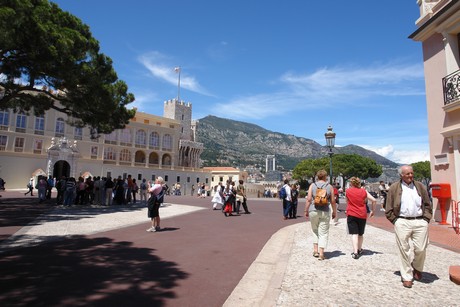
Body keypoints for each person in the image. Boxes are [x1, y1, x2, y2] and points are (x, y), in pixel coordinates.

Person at [385, 165, 432, 288]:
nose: (410, 176)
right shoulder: (394, 188)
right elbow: (388, 206)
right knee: (404, 250)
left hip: (420, 221)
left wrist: (426, 219)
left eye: (411, 173)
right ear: (401, 175)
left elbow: (427, 203)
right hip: (402, 221)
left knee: (421, 248)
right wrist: (395, 221)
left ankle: (417, 266)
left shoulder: (420, 186)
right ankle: (407, 276)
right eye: (407, 174)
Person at [304, 169, 337, 261]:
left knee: (315, 230)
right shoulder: (329, 187)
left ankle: (315, 251)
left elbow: (309, 199)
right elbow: (333, 201)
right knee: (323, 232)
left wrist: (305, 210)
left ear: (317, 176)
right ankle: (321, 253)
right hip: (325, 211)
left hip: (313, 210)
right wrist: (334, 212)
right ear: (325, 176)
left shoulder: (312, 185)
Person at [345, 177, 377, 259]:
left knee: (354, 233)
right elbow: (374, 200)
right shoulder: (364, 191)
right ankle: (359, 249)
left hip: (351, 213)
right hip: (362, 214)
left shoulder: (348, 191)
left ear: (351, 183)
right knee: (360, 233)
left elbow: (347, 202)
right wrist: (373, 211)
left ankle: (355, 252)